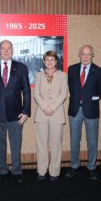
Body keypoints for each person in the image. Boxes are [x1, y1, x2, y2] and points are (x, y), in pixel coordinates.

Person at [0, 39, 31, 183]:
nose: (6, 51)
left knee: (16, 145)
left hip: (16, 114)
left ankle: (17, 170)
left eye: (8, 48)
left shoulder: (21, 67)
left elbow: (27, 92)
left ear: (12, 51)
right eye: (3, 48)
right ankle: (2, 170)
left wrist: (26, 111)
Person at [65, 45, 101, 180]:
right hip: (75, 110)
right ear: (79, 55)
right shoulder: (72, 69)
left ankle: (92, 167)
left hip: (91, 111)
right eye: (83, 54)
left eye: (88, 54)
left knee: (92, 141)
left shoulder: (99, 71)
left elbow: (100, 92)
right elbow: (71, 88)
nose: (86, 56)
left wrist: (89, 100)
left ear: (92, 55)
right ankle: (74, 165)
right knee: (75, 140)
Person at [34, 51, 68, 181]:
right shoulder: (39, 75)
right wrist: (44, 107)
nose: (49, 62)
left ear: (56, 61)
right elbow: (36, 94)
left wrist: (52, 108)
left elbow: (63, 93)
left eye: (52, 60)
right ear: (44, 61)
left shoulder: (62, 75)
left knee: (56, 144)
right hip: (41, 114)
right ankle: (41, 170)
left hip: (57, 113)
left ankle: (54, 171)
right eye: (47, 60)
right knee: (41, 143)